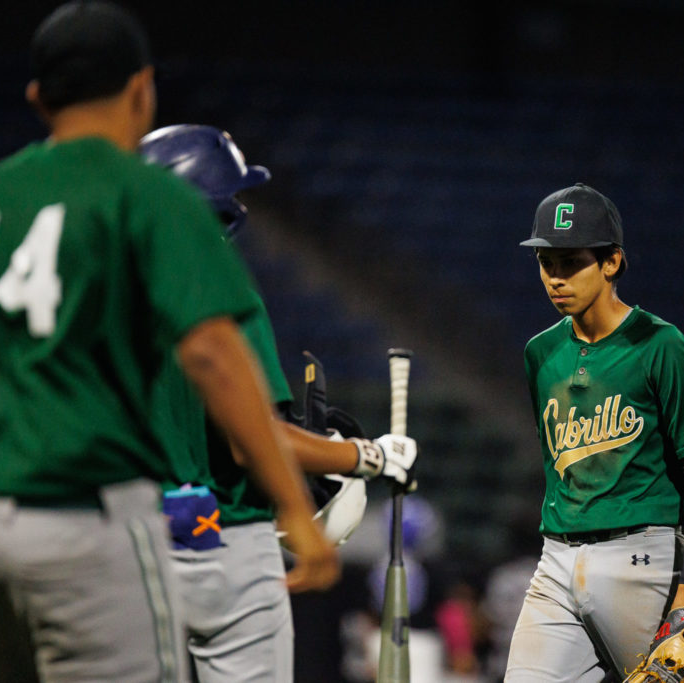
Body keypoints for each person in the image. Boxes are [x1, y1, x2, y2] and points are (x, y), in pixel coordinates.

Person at [0, 3, 338, 681]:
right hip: (82, 525)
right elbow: (212, 353)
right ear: (141, 90)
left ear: (37, 98)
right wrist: (298, 509)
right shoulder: (151, 198)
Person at [139, 123, 417, 682]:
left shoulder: (103, 296)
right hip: (222, 540)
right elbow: (255, 441)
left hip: (131, 546)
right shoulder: (219, 290)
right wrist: (369, 456)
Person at [506, 183, 684, 681]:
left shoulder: (661, 345)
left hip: (640, 560)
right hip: (555, 560)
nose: (556, 277)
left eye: (571, 262)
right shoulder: (540, 353)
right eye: (547, 262)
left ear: (611, 262)